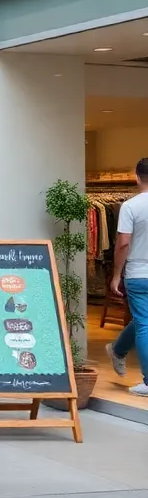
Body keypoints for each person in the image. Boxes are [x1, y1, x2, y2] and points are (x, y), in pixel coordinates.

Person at [109, 157, 148, 397]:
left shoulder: (131, 206)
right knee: (144, 321)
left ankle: (118, 350)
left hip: (138, 273)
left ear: (136, 177)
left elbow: (123, 243)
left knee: (143, 322)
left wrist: (115, 275)